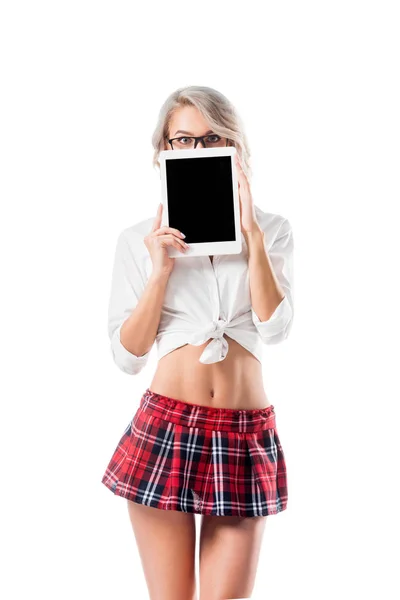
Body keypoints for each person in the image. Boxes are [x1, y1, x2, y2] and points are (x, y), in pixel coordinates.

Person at [101, 85, 294, 600]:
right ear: (163, 149)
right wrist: (160, 273)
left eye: (211, 137)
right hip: (166, 428)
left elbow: (275, 328)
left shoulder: (271, 231)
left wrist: (251, 238)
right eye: (183, 139)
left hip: (242, 435)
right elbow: (126, 357)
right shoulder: (139, 240)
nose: (197, 149)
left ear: (232, 143)